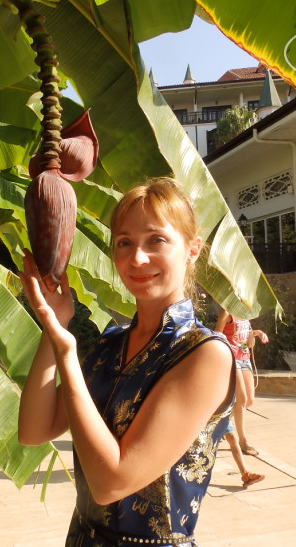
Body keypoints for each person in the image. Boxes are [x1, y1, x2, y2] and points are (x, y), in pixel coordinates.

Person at [18, 177, 237, 546]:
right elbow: (33, 431)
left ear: (192, 250)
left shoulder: (204, 354)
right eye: (124, 242)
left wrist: (68, 354)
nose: (137, 258)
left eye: (156, 240)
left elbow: (111, 483)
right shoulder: (110, 345)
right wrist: (52, 326)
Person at [215, 310, 269, 457]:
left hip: (245, 358)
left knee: (249, 400)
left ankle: (221, 423)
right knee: (241, 399)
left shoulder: (244, 312)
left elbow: (243, 334)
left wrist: (256, 333)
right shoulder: (227, 312)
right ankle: (243, 441)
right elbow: (217, 335)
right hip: (232, 358)